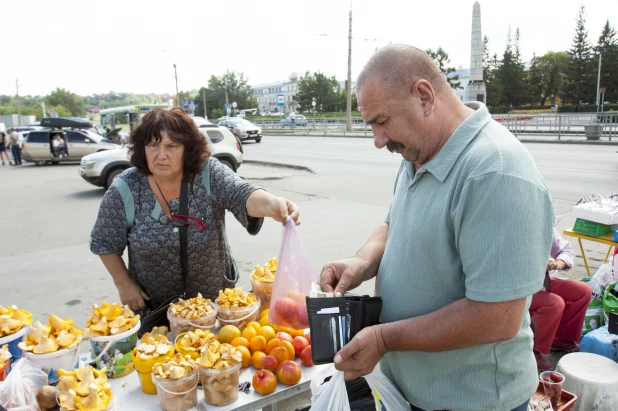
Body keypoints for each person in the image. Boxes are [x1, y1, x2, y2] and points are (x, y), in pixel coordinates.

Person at [319, 44, 554, 411]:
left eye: (381, 121)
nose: (378, 140)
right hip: (410, 392)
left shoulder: (496, 172)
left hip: (472, 402)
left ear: (425, 97)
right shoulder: (418, 150)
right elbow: (395, 223)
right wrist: (361, 262)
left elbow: (495, 317)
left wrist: (384, 339)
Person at [90, 108, 300, 313]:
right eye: (153, 145)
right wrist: (124, 284)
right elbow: (104, 241)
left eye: (171, 146)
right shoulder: (126, 188)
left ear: (187, 149)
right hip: (155, 310)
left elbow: (242, 194)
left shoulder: (207, 172)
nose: (161, 155)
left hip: (216, 306)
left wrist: (271, 203)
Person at [531, 228, 592, 371]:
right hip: (516, 288)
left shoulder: (543, 224)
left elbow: (565, 250)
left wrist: (559, 262)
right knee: (554, 303)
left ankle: (561, 339)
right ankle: (532, 351)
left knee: (582, 291)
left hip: (541, 281)